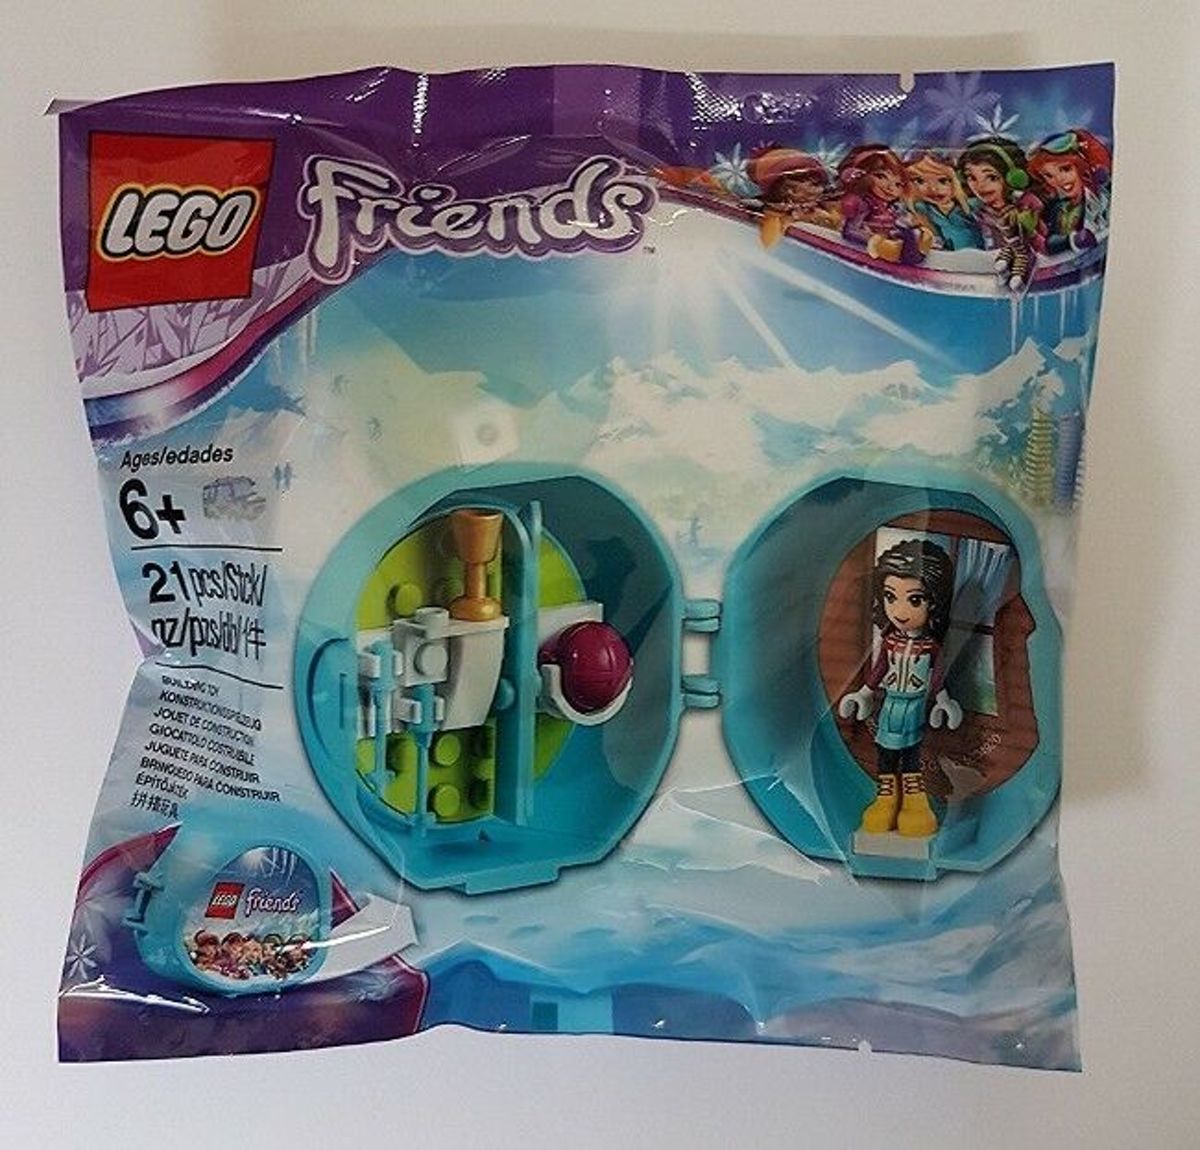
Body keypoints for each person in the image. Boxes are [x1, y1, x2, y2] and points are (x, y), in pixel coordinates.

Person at [838, 539, 963, 837]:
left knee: (911, 752)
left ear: (933, 602)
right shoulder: (890, 641)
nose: (900, 610)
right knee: (885, 751)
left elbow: (937, 677)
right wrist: (864, 693)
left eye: (914, 600)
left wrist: (943, 701)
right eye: (890, 597)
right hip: (890, 704)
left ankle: (914, 803)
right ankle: (886, 798)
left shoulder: (930, 646)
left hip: (914, 706)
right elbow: (879, 669)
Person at [958, 136, 1043, 291]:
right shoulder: (976, 209)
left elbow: (1041, 242)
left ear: (1013, 178)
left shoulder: (1026, 203)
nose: (980, 186)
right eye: (972, 177)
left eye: (991, 177)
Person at [838, 145, 934, 265]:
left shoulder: (892, 207)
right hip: (877, 246)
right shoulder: (865, 204)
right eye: (881, 176)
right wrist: (874, 239)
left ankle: (917, 252)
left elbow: (895, 224)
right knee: (902, 244)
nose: (890, 188)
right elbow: (850, 230)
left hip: (893, 241)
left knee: (916, 233)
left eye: (898, 184)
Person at [1027, 129, 1111, 256]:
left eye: (1065, 169)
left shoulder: (1098, 197)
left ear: (1081, 167)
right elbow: (1049, 242)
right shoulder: (1057, 208)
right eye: (1049, 176)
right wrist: (1071, 241)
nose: (1059, 180)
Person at [905, 151, 983, 250]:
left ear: (954, 181)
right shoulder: (920, 210)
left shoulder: (972, 206)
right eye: (920, 181)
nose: (933, 189)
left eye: (942, 181)